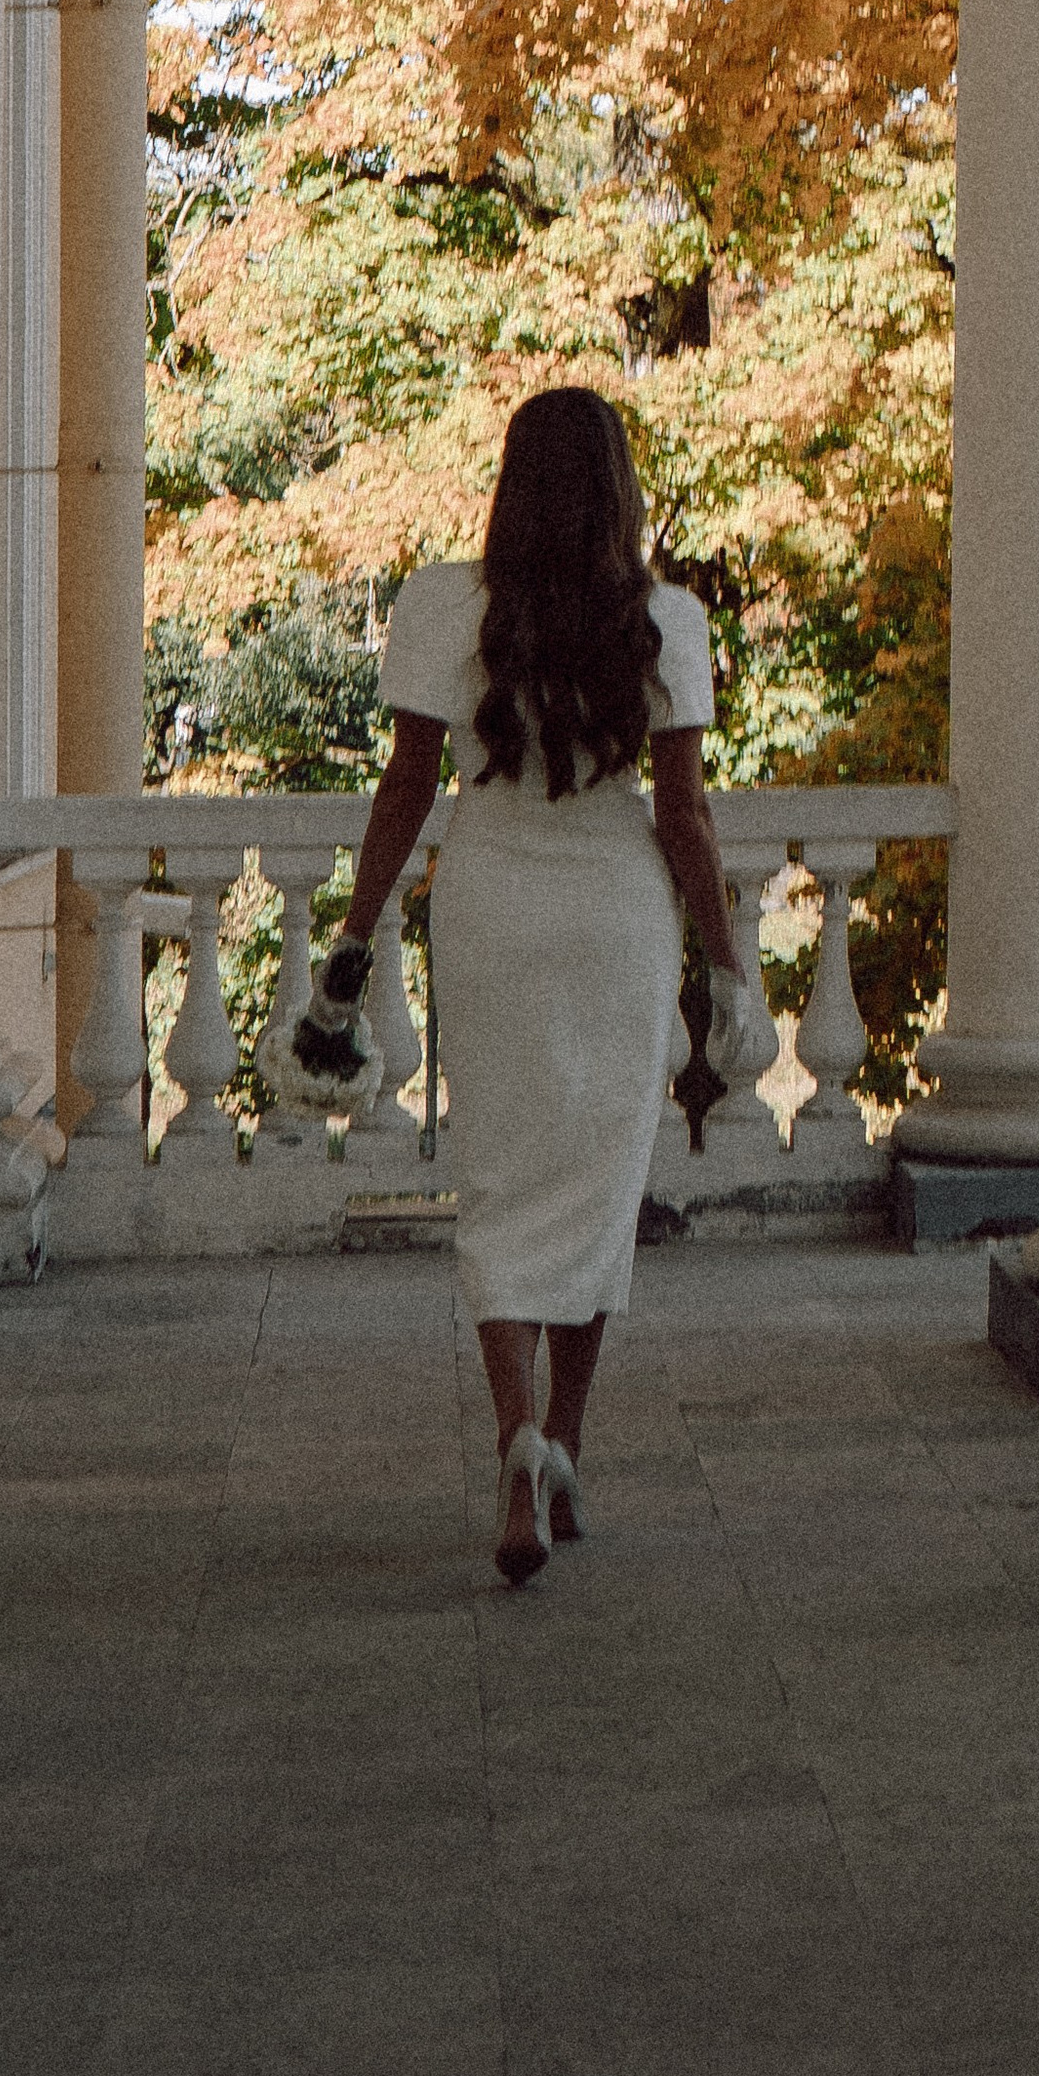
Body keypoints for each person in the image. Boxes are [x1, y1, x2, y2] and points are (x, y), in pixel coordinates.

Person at [335, 387, 742, 1584]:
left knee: (501, 1179)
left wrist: (353, 941)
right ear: (619, 489)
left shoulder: (439, 604)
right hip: (615, 918)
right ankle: (562, 1443)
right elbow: (685, 817)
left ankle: (515, 1444)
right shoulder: (666, 619)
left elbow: (406, 787)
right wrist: (726, 969)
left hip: (494, 903)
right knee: (595, 1186)